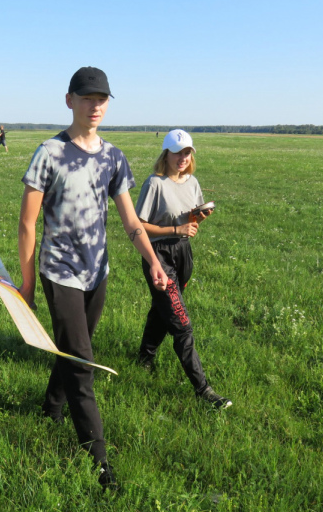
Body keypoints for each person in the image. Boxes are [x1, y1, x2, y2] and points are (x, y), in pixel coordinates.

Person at [19, 66, 168, 490]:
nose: (95, 105)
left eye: (102, 98)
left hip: (96, 271)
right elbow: (28, 223)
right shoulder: (48, 153)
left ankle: (50, 408)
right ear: (70, 101)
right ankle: (99, 461)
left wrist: (154, 261)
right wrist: (28, 285)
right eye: (87, 98)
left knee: (72, 349)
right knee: (81, 361)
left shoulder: (114, 157)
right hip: (59, 271)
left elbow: (131, 222)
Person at [134, 129, 232, 409]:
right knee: (181, 324)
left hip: (183, 254)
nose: (182, 158)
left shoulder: (193, 182)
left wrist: (197, 219)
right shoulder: (155, 183)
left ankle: (145, 357)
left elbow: (190, 220)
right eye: (177, 152)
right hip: (158, 255)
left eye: (187, 152)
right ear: (166, 153)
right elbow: (139, 226)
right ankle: (204, 390)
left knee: (163, 308)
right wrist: (176, 228)